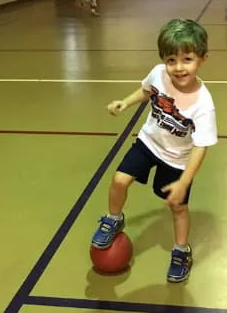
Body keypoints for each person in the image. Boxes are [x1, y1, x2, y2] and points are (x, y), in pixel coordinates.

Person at [91, 19, 218, 283]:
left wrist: (184, 182)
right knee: (118, 180)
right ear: (163, 60)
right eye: (172, 60)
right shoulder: (159, 73)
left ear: (203, 59)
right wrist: (124, 103)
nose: (179, 67)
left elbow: (201, 146)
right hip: (149, 142)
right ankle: (113, 218)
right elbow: (146, 91)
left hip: (178, 160)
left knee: (178, 209)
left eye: (187, 59)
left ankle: (181, 251)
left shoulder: (203, 104)